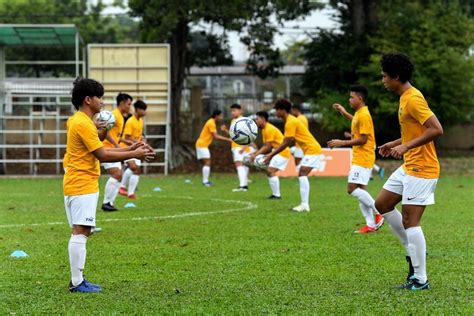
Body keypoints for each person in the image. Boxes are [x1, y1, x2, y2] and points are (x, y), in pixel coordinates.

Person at [64, 77, 154, 293]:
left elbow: (103, 149)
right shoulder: (83, 123)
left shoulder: (80, 121)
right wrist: (134, 153)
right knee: (81, 231)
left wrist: (133, 149)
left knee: (82, 231)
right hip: (82, 183)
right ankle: (76, 283)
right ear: (88, 100)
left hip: (80, 182)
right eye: (99, 97)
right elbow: (103, 155)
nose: (102, 102)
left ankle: (78, 280)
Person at [374, 53, 443, 290]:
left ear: (396, 76)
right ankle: (413, 252)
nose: (382, 80)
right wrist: (395, 143)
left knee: (410, 220)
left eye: (385, 76)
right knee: (382, 204)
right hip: (409, 165)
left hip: (422, 168)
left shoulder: (413, 98)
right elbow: (414, 132)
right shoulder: (404, 97)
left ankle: (420, 279)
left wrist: (404, 146)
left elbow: (436, 129)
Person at [328, 84, 384, 233]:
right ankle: (370, 225)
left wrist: (342, 143)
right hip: (361, 156)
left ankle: (379, 212)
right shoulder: (360, 113)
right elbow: (356, 122)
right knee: (361, 191)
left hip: (363, 156)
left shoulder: (364, 115)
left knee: (352, 189)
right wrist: (344, 112)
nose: (349, 99)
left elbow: (363, 139)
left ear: (360, 98)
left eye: (352, 97)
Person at [263, 99, 322, 212]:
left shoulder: (290, 122)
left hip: (312, 149)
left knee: (302, 173)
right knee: (302, 173)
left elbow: (286, 142)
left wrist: (270, 155)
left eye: (277, 110)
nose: (275, 113)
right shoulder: (290, 121)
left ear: (283, 110)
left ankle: (304, 205)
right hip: (309, 149)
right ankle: (304, 204)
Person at [101, 93, 133, 211]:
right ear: (122, 103)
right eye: (129, 104)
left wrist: (126, 143)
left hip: (113, 148)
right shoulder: (114, 115)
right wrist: (116, 145)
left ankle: (109, 203)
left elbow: (116, 135)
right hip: (106, 147)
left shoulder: (120, 116)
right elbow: (106, 131)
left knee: (119, 175)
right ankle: (106, 203)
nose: (130, 107)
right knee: (117, 174)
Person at [249, 111, 291, 199]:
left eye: (257, 119)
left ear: (263, 119)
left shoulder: (269, 129)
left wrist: (255, 155)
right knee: (269, 171)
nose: (256, 121)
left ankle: (277, 195)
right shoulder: (265, 129)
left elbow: (267, 147)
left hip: (282, 152)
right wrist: (256, 153)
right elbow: (266, 146)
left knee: (270, 170)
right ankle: (275, 194)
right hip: (277, 152)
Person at [118, 100, 148, 199]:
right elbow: (127, 137)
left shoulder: (140, 121)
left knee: (137, 170)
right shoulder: (131, 121)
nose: (145, 112)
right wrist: (137, 142)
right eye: (143, 110)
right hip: (126, 148)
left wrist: (142, 141)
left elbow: (139, 136)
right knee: (134, 168)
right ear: (138, 109)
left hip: (136, 148)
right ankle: (123, 188)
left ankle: (129, 192)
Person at [195, 110, 233, 186]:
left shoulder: (212, 122)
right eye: (220, 116)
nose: (221, 118)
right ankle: (205, 182)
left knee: (207, 162)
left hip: (202, 145)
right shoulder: (211, 123)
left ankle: (205, 181)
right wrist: (228, 139)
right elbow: (216, 136)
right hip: (202, 145)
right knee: (207, 162)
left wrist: (225, 130)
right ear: (216, 116)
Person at [221, 104, 254, 192]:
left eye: (234, 110)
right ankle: (244, 185)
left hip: (240, 146)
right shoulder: (233, 120)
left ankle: (243, 186)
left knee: (239, 164)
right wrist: (225, 131)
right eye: (231, 111)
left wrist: (244, 146)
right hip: (235, 146)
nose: (232, 112)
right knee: (242, 165)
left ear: (240, 111)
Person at [290, 104, 309, 170]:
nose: (291, 113)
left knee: (298, 162)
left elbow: (297, 132)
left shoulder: (299, 119)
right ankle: (302, 176)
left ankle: (302, 176)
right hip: (302, 144)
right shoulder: (303, 118)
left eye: (292, 111)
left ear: (296, 110)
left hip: (300, 144)